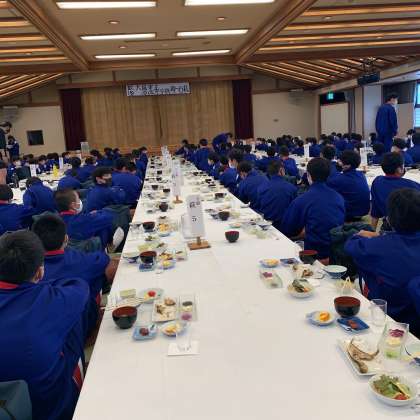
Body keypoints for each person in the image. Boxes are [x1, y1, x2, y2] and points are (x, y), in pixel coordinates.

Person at [0, 230, 88, 420]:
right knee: (72, 322)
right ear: (40, 272)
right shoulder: (50, 299)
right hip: (50, 407)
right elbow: (80, 287)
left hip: (7, 404)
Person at [344, 189, 420, 336]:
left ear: (389, 219)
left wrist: (377, 235)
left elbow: (350, 245)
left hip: (388, 319)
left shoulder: (378, 247)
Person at [32, 215, 117, 335]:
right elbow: (103, 259)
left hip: (42, 328)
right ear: (66, 238)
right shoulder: (79, 260)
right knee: (106, 268)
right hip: (80, 326)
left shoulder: (28, 270)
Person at [282, 158, 345, 259]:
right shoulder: (339, 197)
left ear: (308, 175)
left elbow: (288, 229)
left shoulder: (302, 200)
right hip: (337, 249)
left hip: (313, 252)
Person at [370, 152, 420, 229]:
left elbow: (375, 210)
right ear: (399, 169)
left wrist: (372, 230)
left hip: (389, 226)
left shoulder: (377, 182)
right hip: (412, 228)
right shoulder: (413, 185)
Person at [327, 150, 370, 221]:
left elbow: (326, 185)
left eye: (340, 161)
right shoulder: (361, 174)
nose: (338, 162)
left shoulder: (339, 179)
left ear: (347, 166)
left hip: (349, 214)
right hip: (364, 211)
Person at [258, 160, 297, 231]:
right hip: (285, 227)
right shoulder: (291, 188)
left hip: (266, 224)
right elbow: (295, 210)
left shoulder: (261, 187)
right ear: (281, 170)